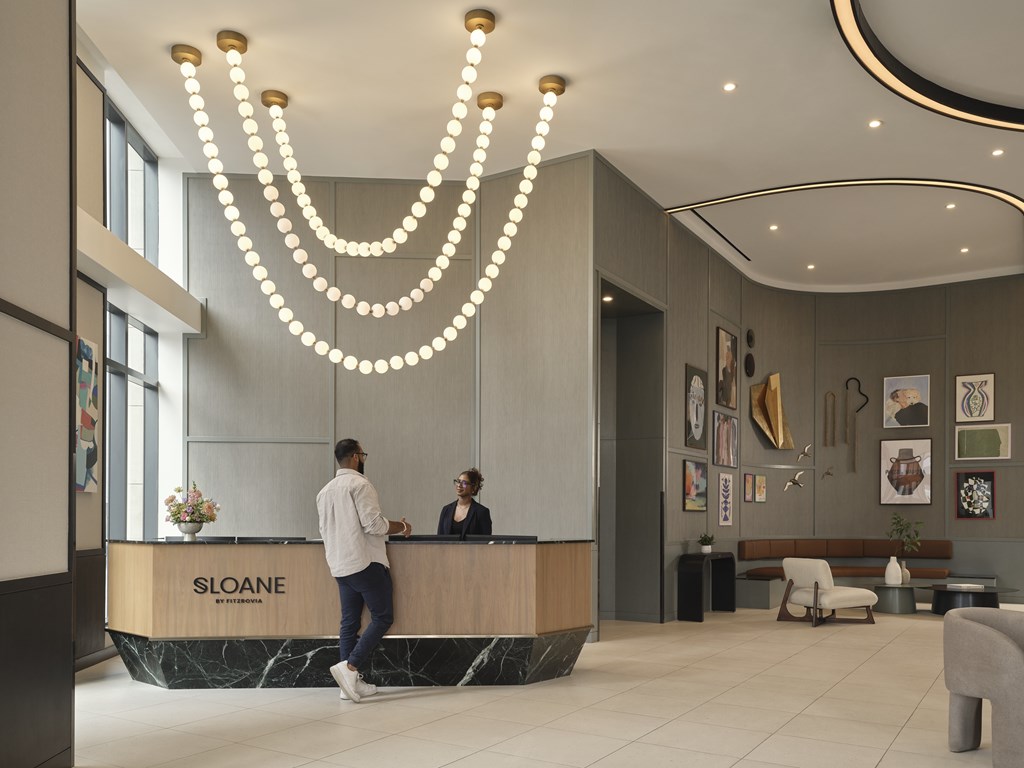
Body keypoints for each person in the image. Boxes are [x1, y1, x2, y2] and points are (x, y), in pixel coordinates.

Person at [317, 438, 412, 703]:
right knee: (382, 617)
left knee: (349, 623)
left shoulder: (324, 492)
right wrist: (402, 527)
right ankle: (350, 669)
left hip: (339, 564)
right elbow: (374, 525)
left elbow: (324, 531)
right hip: (365, 562)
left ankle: (348, 686)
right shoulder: (360, 484)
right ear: (357, 457)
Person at [437, 468, 492, 538]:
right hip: (448, 549)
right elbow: (439, 539)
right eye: (458, 481)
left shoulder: (482, 512)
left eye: (464, 483)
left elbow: (485, 542)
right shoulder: (446, 510)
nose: (459, 485)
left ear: (473, 488)